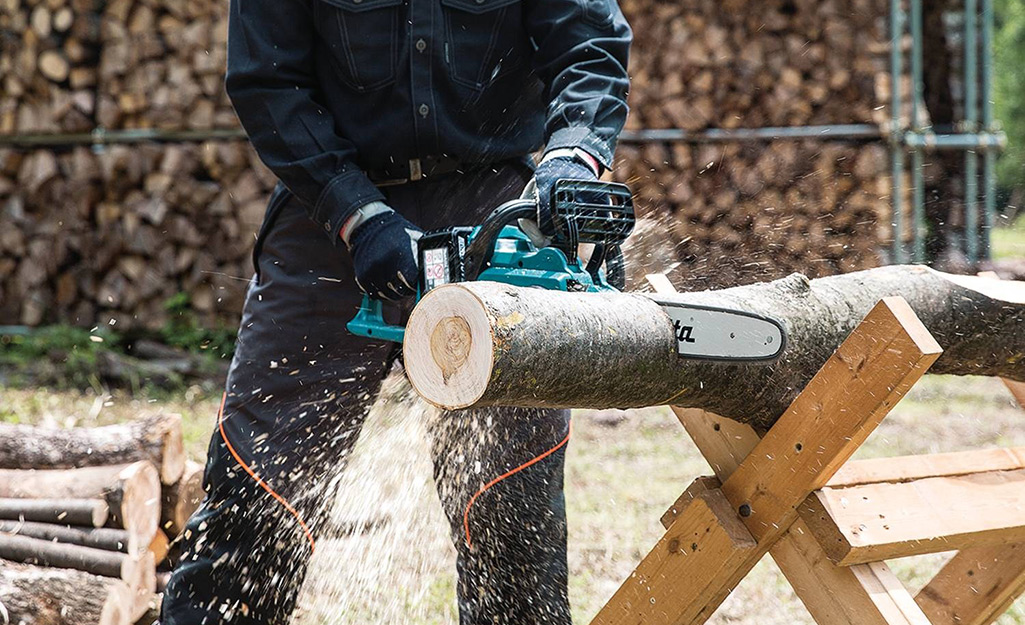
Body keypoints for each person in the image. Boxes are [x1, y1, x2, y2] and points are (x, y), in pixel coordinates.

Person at [160, 0, 631, 623]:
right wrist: (356, 213)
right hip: (328, 205)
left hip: (490, 197)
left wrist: (574, 154)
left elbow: (588, 40)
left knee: (511, 515)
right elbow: (268, 80)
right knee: (257, 498)